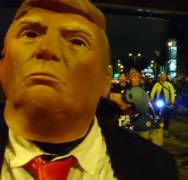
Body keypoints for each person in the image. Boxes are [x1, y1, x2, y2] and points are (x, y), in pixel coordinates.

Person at [0, 0, 178, 179]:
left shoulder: (156, 168)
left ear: (105, 81)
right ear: (3, 63)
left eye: (77, 42)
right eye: (30, 34)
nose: (47, 48)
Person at [124, 68, 163, 145]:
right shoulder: (126, 90)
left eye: (138, 77)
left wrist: (154, 115)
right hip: (130, 118)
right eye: (134, 77)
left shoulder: (142, 90)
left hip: (143, 118)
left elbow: (148, 103)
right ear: (130, 78)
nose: (137, 79)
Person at [150, 72, 175, 138]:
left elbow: (172, 93)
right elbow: (153, 92)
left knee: (167, 117)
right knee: (156, 115)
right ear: (160, 77)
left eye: (164, 76)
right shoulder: (157, 84)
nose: (163, 77)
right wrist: (151, 99)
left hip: (166, 103)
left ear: (166, 77)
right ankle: (156, 128)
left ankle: (165, 130)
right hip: (158, 102)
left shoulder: (169, 84)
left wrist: (172, 102)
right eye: (162, 76)